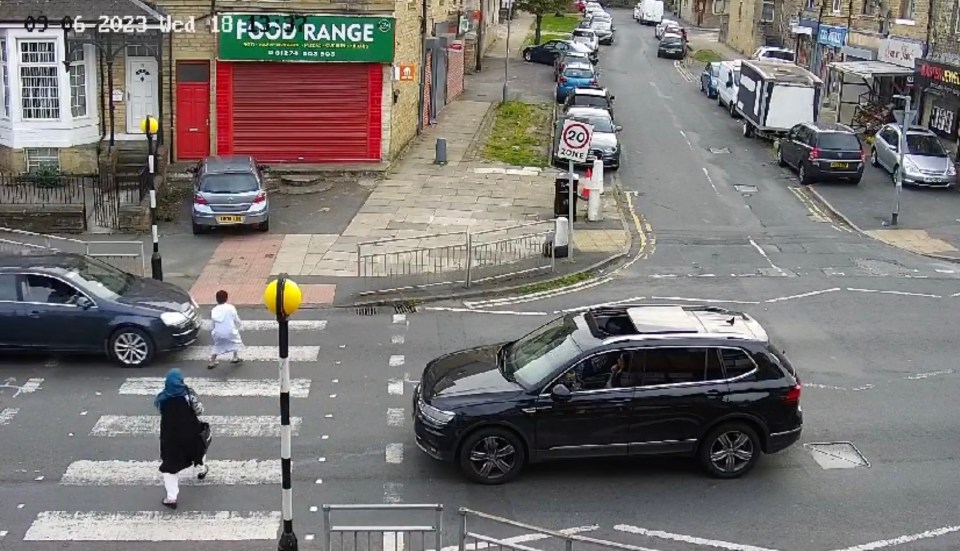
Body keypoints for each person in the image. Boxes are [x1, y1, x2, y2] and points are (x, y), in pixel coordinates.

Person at [155, 369, 210, 510]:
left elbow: (162, 412)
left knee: (170, 467)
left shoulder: (162, 398)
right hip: (190, 433)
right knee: (199, 450)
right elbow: (199, 411)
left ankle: (171, 498)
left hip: (171, 437)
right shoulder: (189, 395)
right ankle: (202, 469)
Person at [208, 289, 243, 369]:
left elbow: (212, 324)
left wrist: (213, 332)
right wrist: (238, 326)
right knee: (236, 341)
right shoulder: (230, 308)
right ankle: (235, 357)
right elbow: (236, 319)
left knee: (217, 346)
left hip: (218, 333)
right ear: (226, 298)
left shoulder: (214, 310)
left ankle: (212, 362)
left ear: (216, 299)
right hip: (230, 331)